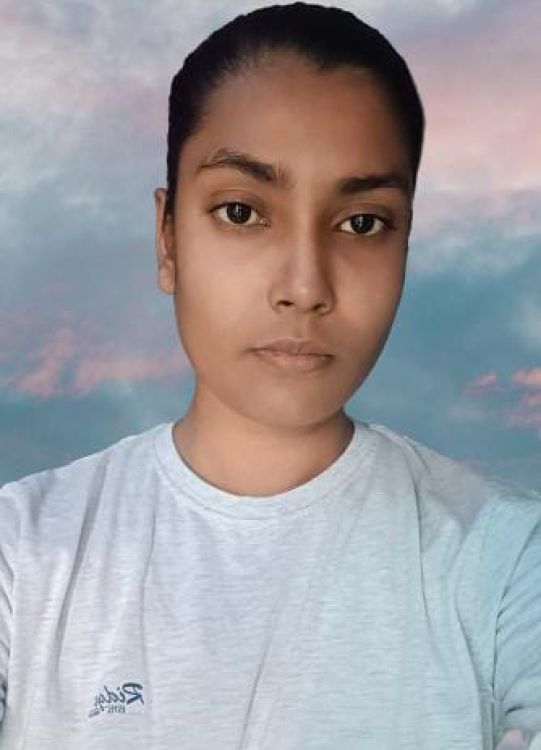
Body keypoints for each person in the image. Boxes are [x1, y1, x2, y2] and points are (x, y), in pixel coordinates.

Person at [0, 2, 539, 748]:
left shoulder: (507, 558)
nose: (305, 286)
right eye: (241, 212)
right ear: (167, 239)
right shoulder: (23, 552)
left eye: (361, 223)